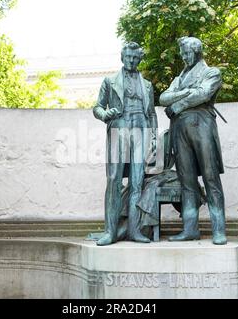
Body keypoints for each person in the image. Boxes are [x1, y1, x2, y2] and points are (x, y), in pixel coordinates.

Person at [159, 36, 227, 245]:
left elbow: (204, 94)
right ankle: (190, 229)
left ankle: (219, 230)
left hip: (202, 126)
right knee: (187, 181)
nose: (184, 56)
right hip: (179, 129)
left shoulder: (211, 72)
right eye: (182, 53)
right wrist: (187, 92)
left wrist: (178, 104)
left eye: (187, 52)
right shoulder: (179, 78)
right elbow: (163, 98)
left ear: (197, 52)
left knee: (210, 177)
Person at [93, 42, 157, 246]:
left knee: (137, 181)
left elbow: (152, 114)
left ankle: (134, 230)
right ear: (122, 57)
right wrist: (105, 114)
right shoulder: (110, 81)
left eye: (135, 57)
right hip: (119, 126)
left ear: (139, 59)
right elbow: (97, 107)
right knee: (114, 179)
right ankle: (110, 232)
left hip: (141, 126)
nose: (131, 60)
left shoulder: (147, 85)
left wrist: (154, 138)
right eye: (128, 57)